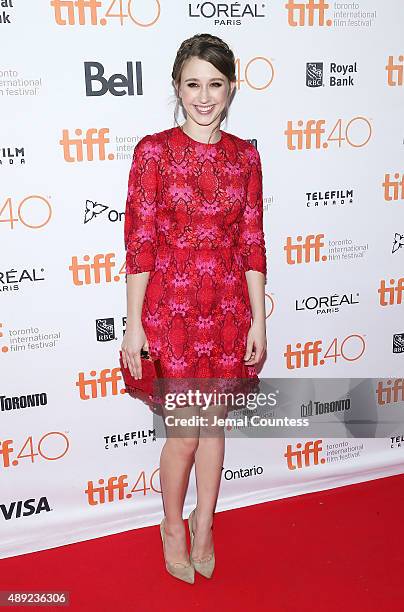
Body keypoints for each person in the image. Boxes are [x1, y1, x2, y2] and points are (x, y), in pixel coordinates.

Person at [120, 33, 267, 584]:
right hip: (170, 312)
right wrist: (134, 325)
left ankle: (206, 524)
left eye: (215, 84)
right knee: (185, 433)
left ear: (231, 88)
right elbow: (140, 244)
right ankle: (172, 525)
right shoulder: (153, 152)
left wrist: (258, 317)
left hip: (227, 309)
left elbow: (253, 240)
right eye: (192, 84)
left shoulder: (246, 156)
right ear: (176, 88)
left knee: (214, 429)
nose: (203, 97)